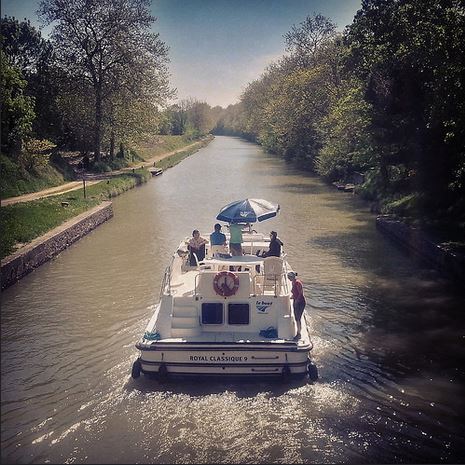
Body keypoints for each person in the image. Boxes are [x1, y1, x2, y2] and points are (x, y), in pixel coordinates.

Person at [287, 271, 306, 341]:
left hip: (300, 302)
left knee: (298, 318)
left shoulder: (298, 283)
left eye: (289, 277)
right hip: (296, 300)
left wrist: (297, 301)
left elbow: (301, 293)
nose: (288, 278)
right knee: (296, 317)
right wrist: (292, 297)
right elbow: (295, 292)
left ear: (292, 277)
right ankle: (298, 331)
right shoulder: (293, 282)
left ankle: (299, 333)